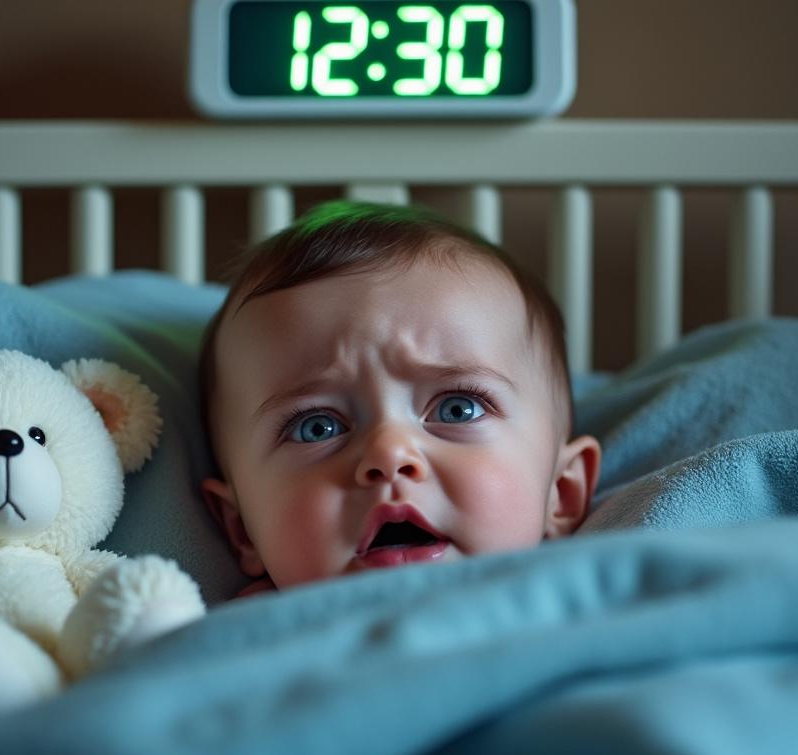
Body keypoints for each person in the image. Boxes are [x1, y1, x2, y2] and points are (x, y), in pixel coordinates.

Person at [198, 201, 601, 595]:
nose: (389, 454)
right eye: (317, 427)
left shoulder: (595, 602)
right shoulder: (232, 633)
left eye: (457, 409)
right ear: (243, 529)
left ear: (561, 492)